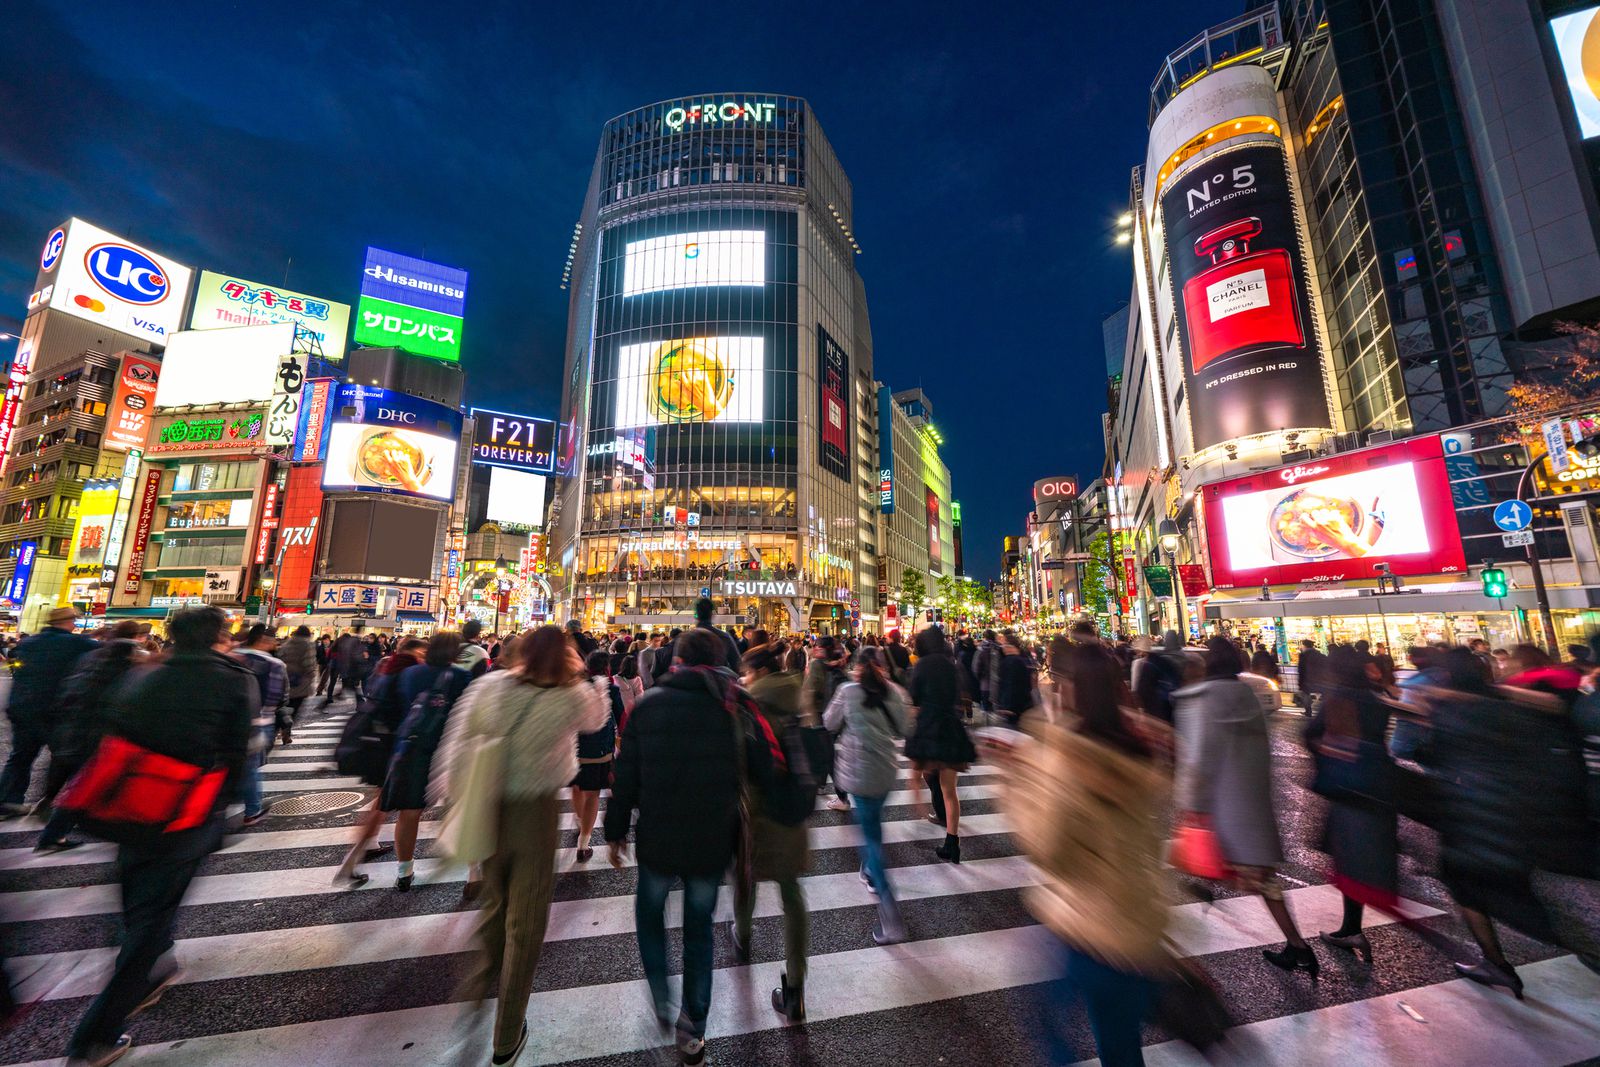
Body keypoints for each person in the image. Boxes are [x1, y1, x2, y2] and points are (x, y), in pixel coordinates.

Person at [64, 606, 254, 1067]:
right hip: (183, 814)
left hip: (125, 807)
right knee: (151, 922)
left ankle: (150, 968)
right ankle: (96, 1035)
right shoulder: (231, 678)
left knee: (138, 907)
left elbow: (104, 728)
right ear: (218, 636)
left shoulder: (146, 671)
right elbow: (238, 749)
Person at [605, 628, 778, 1066]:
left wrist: (615, 828)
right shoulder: (733, 704)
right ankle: (693, 1027)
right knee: (700, 929)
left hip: (658, 836)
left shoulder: (649, 705)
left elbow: (626, 773)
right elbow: (765, 767)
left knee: (649, 913)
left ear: (676, 661)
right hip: (711, 839)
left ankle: (662, 995)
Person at [435, 626, 606, 1065]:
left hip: (489, 804)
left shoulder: (490, 686)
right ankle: (507, 1034)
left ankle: (478, 985)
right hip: (535, 812)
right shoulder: (569, 695)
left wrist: (456, 800)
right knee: (526, 922)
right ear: (565, 655)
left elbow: (457, 746)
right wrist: (595, 678)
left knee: (495, 901)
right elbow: (596, 720)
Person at [997, 639, 1171, 1067]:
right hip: (1142, 916)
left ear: (1073, 687)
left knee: (1047, 1028)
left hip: (1089, 925)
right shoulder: (1144, 746)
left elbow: (1049, 850)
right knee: (1122, 1045)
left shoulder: (1071, 757)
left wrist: (1016, 780)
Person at [1428, 648, 1597, 996]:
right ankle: (1505, 960)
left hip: (1473, 816)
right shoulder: (1517, 703)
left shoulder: (1455, 710)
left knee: (1472, 886)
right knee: (1520, 886)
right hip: (1521, 811)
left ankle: (1502, 961)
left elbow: (1434, 754)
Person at [1175, 637, 1316, 975]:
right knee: (1263, 880)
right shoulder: (1244, 695)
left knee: (1212, 865)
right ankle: (1297, 946)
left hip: (1224, 807)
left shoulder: (1208, 699)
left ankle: (1295, 946)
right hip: (1249, 805)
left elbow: (1202, 757)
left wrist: (1192, 804)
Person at [1303, 645, 1397, 963]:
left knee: (1349, 856)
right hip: (1379, 784)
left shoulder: (1339, 697)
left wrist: (1325, 754)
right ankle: (1351, 926)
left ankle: (1352, 927)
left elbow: (1309, 733)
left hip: (1348, 786)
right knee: (1364, 857)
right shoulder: (1376, 697)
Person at [735, 644, 811, 1020]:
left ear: (760, 671)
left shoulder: (749, 706)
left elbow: (738, 759)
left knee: (746, 877)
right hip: (793, 806)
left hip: (758, 808)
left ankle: (742, 934)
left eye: (747, 672)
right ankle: (795, 985)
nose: (744, 678)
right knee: (791, 892)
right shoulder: (798, 695)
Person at [35, 622, 147, 853]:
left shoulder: (92, 656)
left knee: (83, 781)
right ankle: (56, 831)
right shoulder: (127, 659)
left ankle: (55, 823)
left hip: (76, 727)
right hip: (102, 732)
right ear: (137, 637)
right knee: (89, 782)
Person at [825, 646, 911, 944]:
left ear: (858, 667)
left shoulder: (847, 691)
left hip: (859, 776)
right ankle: (869, 870)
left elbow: (828, 722)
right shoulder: (894, 692)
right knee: (873, 825)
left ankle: (891, 915)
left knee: (871, 839)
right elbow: (904, 729)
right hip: (885, 772)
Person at [375, 632, 473, 890]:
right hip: (451, 749)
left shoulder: (410, 674)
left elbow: (396, 708)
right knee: (461, 809)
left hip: (412, 747)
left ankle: (404, 870)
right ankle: (471, 869)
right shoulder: (462, 677)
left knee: (409, 812)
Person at [333, 638, 427, 886]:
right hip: (392, 746)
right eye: (422, 652)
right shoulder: (407, 673)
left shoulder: (386, 667)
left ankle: (361, 851)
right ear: (414, 652)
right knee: (383, 804)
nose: (424, 657)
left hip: (376, 743)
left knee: (380, 802)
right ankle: (351, 862)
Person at [0, 606, 96, 816]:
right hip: (55, 711)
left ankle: (8, 800)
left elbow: (17, 664)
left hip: (23, 707)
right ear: (68, 622)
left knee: (20, 757)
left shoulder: (29, 642)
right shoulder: (76, 643)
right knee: (63, 758)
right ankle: (52, 803)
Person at [906, 626, 975, 863]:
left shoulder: (922, 666)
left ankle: (921, 806)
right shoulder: (951, 664)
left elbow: (914, 698)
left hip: (928, 727)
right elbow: (961, 693)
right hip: (951, 728)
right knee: (950, 790)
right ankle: (952, 842)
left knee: (919, 775)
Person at [235, 625, 289, 827]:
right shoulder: (274, 664)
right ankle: (252, 809)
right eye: (273, 640)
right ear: (263, 640)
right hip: (260, 721)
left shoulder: (232, 656)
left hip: (229, 719)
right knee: (250, 766)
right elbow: (277, 697)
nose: (275, 643)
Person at [573, 650, 621, 863]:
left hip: (574, 747)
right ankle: (584, 843)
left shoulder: (574, 687)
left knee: (576, 787)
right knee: (592, 793)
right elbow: (621, 716)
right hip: (599, 750)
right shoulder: (611, 688)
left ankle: (579, 820)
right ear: (607, 668)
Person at [802, 636, 852, 810]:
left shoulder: (817, 664)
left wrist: (806, 713)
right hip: (836, 714)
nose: (815, 648)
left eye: (817, 646)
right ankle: (821, 785)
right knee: (825, 753)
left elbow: (809, 690)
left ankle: (841, 797)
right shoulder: (838, 662)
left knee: (827, 757)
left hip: (821, 715)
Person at [1134, 631, 1187, 725]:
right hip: (1180, 702)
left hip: (1158, 708)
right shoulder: (1184, 656)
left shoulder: (1155, 661)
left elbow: (1142, 689)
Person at [276, 625, 317, 744]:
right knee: (295, 708)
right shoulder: (308, 644)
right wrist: (311, 675)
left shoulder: (287, 643)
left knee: (283, 706)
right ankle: (286, 732)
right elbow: (308, 664)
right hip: (300, 681)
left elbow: (280, 657)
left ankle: (277, 729)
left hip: (285, 677)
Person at [994, 631, 1037, 726]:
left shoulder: (1010, 661)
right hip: (1025, 703)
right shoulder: (1025, 657)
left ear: (1010, 646)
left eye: (1004, 644)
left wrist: (1007, 706)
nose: (1002, 647)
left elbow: (1009, 684)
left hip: (1013, 706)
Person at [1296, 638, 1326, 714]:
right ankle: (1325, 711)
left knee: (1305, 694)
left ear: (1304, 646)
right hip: (1320, 678)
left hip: (1307, 679)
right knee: (1322, 693)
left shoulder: (1303, 655)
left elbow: (1301, 669)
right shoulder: (1319, 654)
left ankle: (1308, 711)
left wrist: (1300, 682)